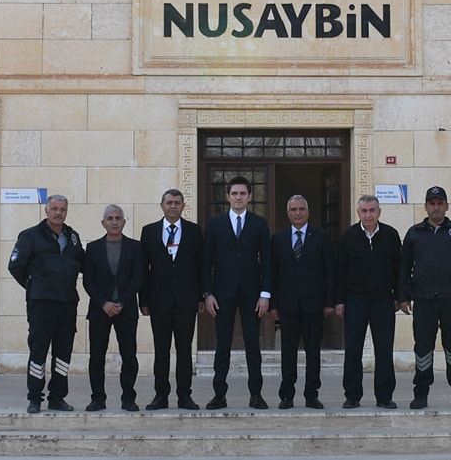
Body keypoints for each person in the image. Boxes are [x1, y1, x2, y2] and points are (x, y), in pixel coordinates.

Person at [398, 186, 451, 410]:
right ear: (425, 206)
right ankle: (420, 394)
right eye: (432, 203)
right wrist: (403, 297)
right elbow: (404, 267)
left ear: (446, 206)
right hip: (423, 300)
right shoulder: (414, 233)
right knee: (423, 348)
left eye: (440, 203)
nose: (436, 207)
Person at [8, 194, 85, 414]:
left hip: (67, 303)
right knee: (39, 350)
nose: (58, 212)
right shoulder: (31, 236)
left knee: (63, 352)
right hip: (41, 303)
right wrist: (33, 286)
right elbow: (15, 266)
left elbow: (81, 263)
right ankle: (35, 398)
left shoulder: (73, 237)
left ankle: (57, 397)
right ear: (46, 211)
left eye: (63, 209)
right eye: (55, 208)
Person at [201, 176, 273, 410]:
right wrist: (207, 293)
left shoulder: (259, 223)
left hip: (252, 294)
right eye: (234, 194)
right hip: (222, 294)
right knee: (222, 346)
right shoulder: (215, 224)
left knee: (253, 345)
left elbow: (268, 261)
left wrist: (265, 294)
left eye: (243, 194)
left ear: (250, 197)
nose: (239, 198)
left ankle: (256, 394)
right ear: (228, 196)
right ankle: (219, 394)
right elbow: (205, 261)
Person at [334, 194, 403, 409]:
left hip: (383, 300)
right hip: (355, 300)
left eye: (372, 210)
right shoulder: (348, 236)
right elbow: (339, 271)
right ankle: (352, 395)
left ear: (379, 212)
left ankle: (384, 396)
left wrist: (399, 297)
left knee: (384, 350)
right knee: (353, 350)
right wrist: (339, 301)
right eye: (364, 211)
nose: (368, 215)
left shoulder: (391, 235)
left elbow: (399, 269)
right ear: (358, 213)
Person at [138, 189, 204, 411]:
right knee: (161, 350)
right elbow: (143, 269)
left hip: (187, 301)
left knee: (184, 350)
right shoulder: (149, 232)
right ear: (162, 206)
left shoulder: (195, 232)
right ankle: (160, 395)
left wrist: (202, 295)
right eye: (169, 202)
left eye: (177, 202)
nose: (173, 206)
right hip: (159, 301)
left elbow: (201, 266)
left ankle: (185, 395)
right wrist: (143, 299)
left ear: (183, 206)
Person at [270, 195, 335, 410]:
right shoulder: (278, 239)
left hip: (314, 305)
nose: (298, 213)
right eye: (293, 209)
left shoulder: (322, 237)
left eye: (301, 209)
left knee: (313, 351)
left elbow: (329, 272)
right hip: (287, 305)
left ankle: (311, 394)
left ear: (308, 212)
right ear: (288, 213)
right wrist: (273, 304)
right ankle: (286, 395)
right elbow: (272, 273)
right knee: (287, 351)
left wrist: (329, 302)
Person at [82, 204, 144, 412]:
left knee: (129, 356)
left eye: (118, 218)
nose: (114, 222)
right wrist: (104, 303)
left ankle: (128, 398)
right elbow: (88, 281)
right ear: (103, 223)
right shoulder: (92, 248)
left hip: (126, 310)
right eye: (110, 218)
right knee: (96, 357)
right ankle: (97, 398)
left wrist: (122, 302)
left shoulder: (135, 247)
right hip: (100, 311)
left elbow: (138, 278)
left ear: (124, 222)